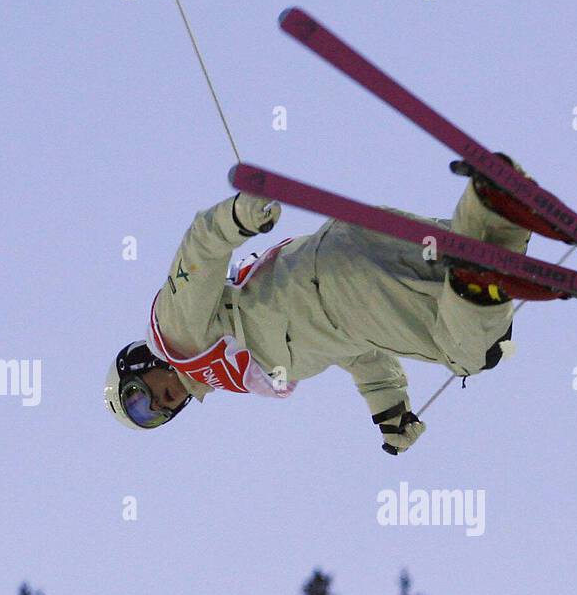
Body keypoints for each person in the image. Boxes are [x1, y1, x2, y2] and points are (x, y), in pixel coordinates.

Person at [104, 162, 533, 450]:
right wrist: (389, 406)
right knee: (466, 251)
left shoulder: (177, 336)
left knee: (469, 352)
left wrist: (237, 217)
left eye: (139, 400)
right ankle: (497, 202)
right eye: (151, 419)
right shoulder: (229, 366)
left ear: (138, 366)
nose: (158, 406)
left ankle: (481, 289)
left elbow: (200, 247)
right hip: (345, 247)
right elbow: (351, 346)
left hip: (338, 292)